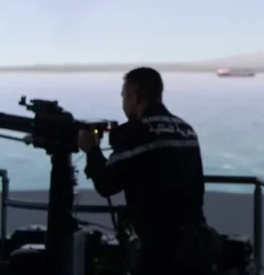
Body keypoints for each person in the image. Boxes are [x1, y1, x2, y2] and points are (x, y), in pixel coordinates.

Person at [78, 67, 220, 275]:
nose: (123, 103)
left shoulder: (136, 132)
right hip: (196, 244)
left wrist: (91, 149)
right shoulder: (186, 129)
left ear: (135, 96)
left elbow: (106, 184)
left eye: (124, 96)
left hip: (160, 250)